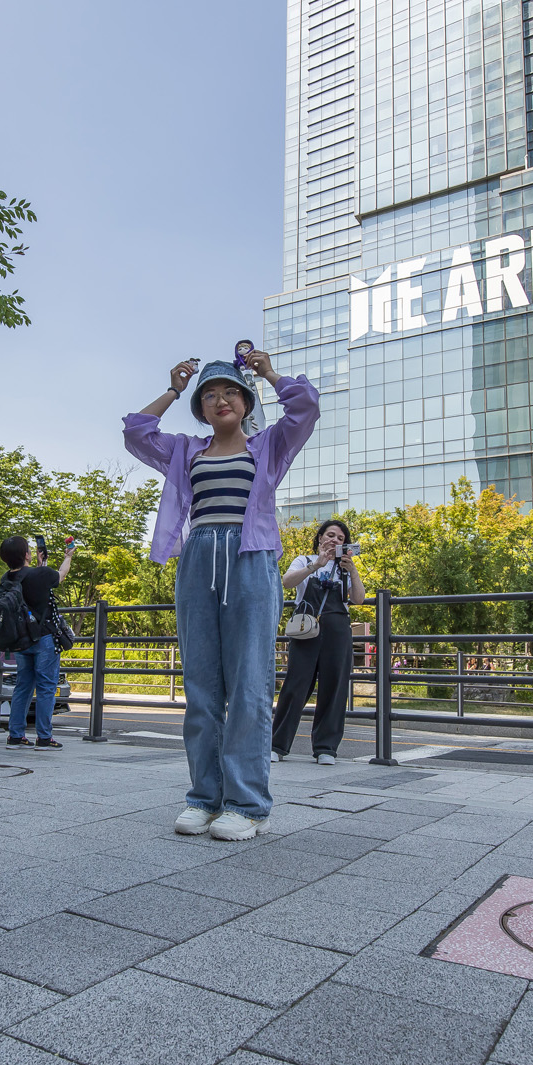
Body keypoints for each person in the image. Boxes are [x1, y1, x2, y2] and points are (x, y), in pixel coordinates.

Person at [125, 351, 318, 840]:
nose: (220, 400)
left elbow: (305, 407)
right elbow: (137, 431)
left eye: (230, 391)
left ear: (246, 401)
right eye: (209, 395)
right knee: (201, 687)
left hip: (250, 561)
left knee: (250, 685)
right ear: (201, 409)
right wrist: (175, 388)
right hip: (198, 562)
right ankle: (204, 798)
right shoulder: (186, 450)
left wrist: (267, 372)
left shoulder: (268, 444)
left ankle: (248, 805)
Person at [272, 519, 365, 764]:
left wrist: (353, 571)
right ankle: (277, 745)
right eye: (330, 535)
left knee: (334, 687)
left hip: (338, 631)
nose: (335, 540)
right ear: (320, 537)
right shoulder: (304, 560)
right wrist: (316, 565)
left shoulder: (345, 569)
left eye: (341, 538)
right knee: (295, 685)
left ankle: (326, 748)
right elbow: (287, 581)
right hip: (306, 628)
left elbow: (358, 599)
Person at [0, 533, 72, 749]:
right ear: (26, 555)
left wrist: (41, 565)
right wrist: (68, 557)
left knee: (23, 686)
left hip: (20, 640)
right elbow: (60, 576)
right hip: (44, 639)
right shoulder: (40, 574)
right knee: (46, 687)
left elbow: (31, 587)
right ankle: (44, 737)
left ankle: (15, 735)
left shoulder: (6, 579)